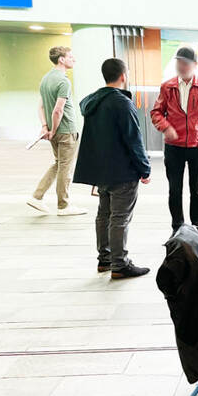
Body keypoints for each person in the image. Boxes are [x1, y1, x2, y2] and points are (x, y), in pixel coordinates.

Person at [73, 58, 151, 279]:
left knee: (103, 215)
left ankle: (104, 259)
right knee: (119, 217)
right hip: (122, 171)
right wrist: (144, 169)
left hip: (101, 171)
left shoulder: (92, 102)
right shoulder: (121, 103)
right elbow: (133, 139)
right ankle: (120, 264)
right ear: (123, 76)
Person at [150, 46, 198, 234]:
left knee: (197, 189)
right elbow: (156, 112)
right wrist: (166, 127)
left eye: (185, 63)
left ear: (194, 65)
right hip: (173, 147)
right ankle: (177, 226)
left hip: (197, 146)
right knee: (174, 189)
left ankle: (196, 226)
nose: (181, 66)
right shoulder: (167, 86)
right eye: (178, 62)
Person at [26, 46, 86, 216]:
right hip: (66, 130)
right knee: (65, 167)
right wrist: (53, 128)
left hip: (54, 130)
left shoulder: (45, 79)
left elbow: (41, 106)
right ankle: (63, 206)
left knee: (59, 163)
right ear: (61, 59)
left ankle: (37, 196)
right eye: (70, 57)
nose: (73, 59)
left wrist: (46, 127)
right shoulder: (63, 81)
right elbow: (58, 110)